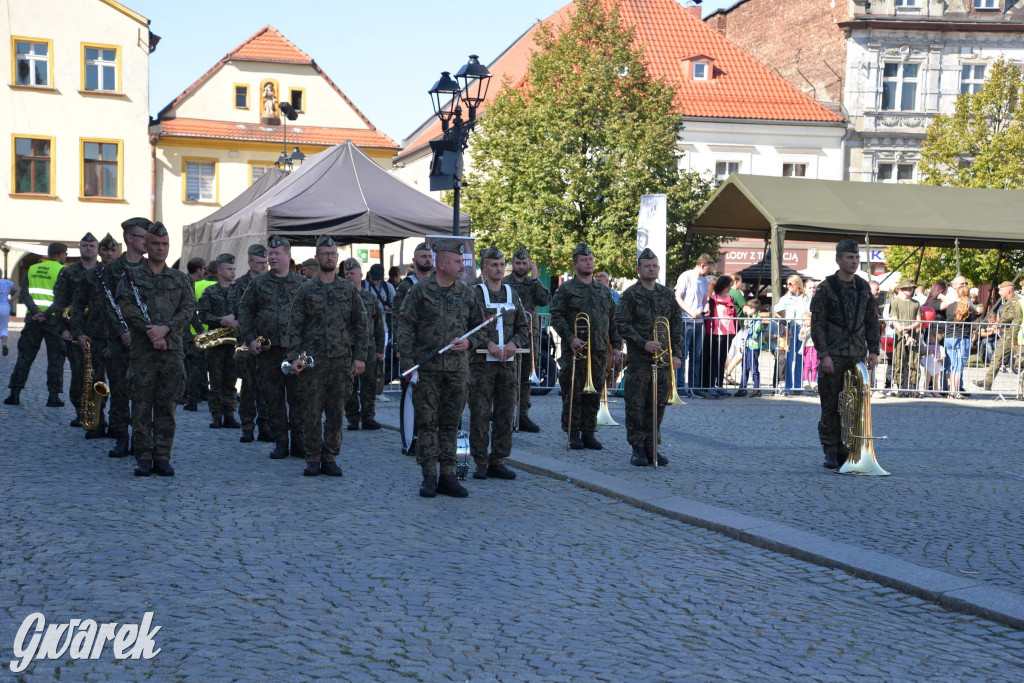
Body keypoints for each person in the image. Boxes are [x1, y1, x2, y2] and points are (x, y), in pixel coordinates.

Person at [396, 238, 488, 498]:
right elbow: (405, 328)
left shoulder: (468, 293)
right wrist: (409, 365)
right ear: (442, 262)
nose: (462, 266)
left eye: (462, 261)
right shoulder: (420, 291)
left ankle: (449, 475)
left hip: (457, 371)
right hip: (427, 370)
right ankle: (428, 476)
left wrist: (470, 342)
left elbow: (481, 328)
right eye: (458, 262)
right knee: (427, 423)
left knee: (451, 424)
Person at [283, 235, 367, 477]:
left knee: (335, 412)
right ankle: (312, 457)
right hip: (313, 363)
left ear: (336, 258)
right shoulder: (306, 290)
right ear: (317, 257)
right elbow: (294, 326)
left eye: (333, 254)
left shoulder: (348, 290)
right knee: (310, 410)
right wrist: (294, 356)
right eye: (325, 254)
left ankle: (330, 457)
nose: (329, 257)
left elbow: (361, 326)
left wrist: (360, 357)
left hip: (341, 363)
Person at [115, 222, 194, 477]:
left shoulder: (180, 279)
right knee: (140, 406)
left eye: (165, 244)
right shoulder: (131, 276)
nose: (161, 248)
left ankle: (162, 456)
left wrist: (166, 329)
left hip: (171, 352)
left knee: (166, 407)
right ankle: (143, 457)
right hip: (143, 353)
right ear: (146, 246)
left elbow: (188, 309)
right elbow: (126, 307)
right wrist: (151, 332)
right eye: (156, 244)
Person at [809, 238, 881, 470]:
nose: (854, 261)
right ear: (838, 259)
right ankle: (831, 450)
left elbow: (872, 320)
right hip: (834, 354)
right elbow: (817, 324)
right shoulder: (826, 287)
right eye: (850, 257)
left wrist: (874, 350)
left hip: (857, 353)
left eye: (857, 257)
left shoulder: (863, 287)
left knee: (855, 406)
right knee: (831, 405)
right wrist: (823, 355)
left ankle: (849, 450)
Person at [238, 235, 308, 460]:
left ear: (288, 255)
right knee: (273, 398)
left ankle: (299, 442)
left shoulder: (302, 284)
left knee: (298, 398)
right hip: (268, 352)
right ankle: (280, 442)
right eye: (270, 254)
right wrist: (249, 339)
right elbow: (245, 312)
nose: (272, 258)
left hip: (295, 352)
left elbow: (313, 316)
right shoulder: (258, 283)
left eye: (277, 254)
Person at [550, 243, 623, 450]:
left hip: (599, 350)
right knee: (573, 393)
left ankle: (589, 432)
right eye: (584, 260)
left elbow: (613, 319)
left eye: (590, 259)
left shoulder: (603, 290)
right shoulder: (566, 289)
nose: (588, 262)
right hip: (575, 350)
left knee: (595, 392)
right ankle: (573, 433)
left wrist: (616, 345)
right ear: (575, 264)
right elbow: (556, 316)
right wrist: (570, 337)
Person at [615, 248, 681, 466]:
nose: (651, 269)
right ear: (638, 269)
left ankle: (653, 447)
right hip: (639, 360)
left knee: (657, 404)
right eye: (647, 266)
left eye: (654, 265)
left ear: (658, 268)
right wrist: (643, 343)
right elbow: (621, 324)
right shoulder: (631, 295)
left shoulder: (667, 294)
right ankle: (638, 449)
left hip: (662, 360)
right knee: (636, 405)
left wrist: (677, 354)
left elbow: (676, 326)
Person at [468, 246, 528, 480]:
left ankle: (499, 459)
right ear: (484, 267)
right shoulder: (473, 293)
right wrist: (487, 343)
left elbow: (523, 327)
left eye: (502, 264)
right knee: (480, 412)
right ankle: (481, 460)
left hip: (507, 364)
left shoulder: (511, 294)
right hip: (482, 364)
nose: (499, 269)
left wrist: (514, 343)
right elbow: (468, 326)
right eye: (494, 265)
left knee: (505, 412)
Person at [102, 218, 150, 458]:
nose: (148, 242)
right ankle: (121, 437)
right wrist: (123, 331)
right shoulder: (111, 270)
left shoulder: (151, 267)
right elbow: (107, 305)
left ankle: (141, 439)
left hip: (145, 341)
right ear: (130, 239)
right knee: (120, 391)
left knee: (143, 394)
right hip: (119, 342)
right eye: (143, 237)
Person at [70, 233, 121, 439]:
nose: (109, 254)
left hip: (119, 338)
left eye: (112, 250)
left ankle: (118, 427)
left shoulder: (126, 274)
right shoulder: (89, 276)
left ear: (118, 252)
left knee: (119, 385)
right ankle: (97, 423)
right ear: (100, 252)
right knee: (95, 382)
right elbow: (77, 306)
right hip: (95, 336)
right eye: (105, 250)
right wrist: (78, 333)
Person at [4, 242, 67, 407]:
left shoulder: (32, 269)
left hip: (32, 319)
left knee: (25, 356)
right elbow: (62, 298)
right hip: (53, 320)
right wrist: (45, 314)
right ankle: (53, 397)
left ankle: (14, 394)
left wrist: (35, 311)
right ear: (61, 254)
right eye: (65, 254)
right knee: (56, 359)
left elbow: (24, 292)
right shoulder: (62, 271)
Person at [51, 233, 100, 427]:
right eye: (84, 245)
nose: (88, 248)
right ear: (79, 248)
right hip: (74, 330)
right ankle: (80, 411)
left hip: (100, 330)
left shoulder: (105, 271)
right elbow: (59, 301)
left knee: (99, 374)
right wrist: (63, 329)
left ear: (97, 249)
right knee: (79, 372)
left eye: (91, 245)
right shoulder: (69, 272)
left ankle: (98, 414)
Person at [502, 246, 551, 433]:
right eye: (518, 263)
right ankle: (504, 415)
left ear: (529, 264)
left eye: (524, 263)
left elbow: (545, 300)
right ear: (512, 263)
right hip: (509, 336)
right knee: (507, 378)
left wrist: (537, 277)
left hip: (530, 336)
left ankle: (523, 415)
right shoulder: (505, 282)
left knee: (525, 379)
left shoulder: (533, 283)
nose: (521, 266)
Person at [227, 244, 270, 443]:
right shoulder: (239, 285)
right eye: (259, 263)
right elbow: (238, 311)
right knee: (248, 387)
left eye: (265, 263)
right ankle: (247, 426)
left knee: (267, 387)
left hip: (268, 343)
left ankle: (265, 426)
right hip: (246, 343)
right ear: (250, 262)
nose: (264, 266)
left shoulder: (272, 282)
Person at [197, 253, 240, 430]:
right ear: (220, 271)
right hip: (216, 342)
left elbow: (246, 311)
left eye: (234, 269)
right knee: (215, 380)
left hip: (234, 342)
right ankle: (216, 415)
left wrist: (236, 319)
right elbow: (203, 313)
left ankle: (229, 414)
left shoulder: (239, 291)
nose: (233, 272)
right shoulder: (210, 291)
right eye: (229, 269)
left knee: (231, 380)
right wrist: (221, 320)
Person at [342, 258, 385, 431]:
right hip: (348, 347)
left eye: (352, 273)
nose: (349, 276)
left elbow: (379, 326)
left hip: (368, 347)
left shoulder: (370, 298)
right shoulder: (341, 299)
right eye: (346, 274)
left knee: (369, 384)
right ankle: (352, 418)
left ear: (361, 274)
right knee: (349, 384)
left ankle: (368, 417)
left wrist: (381, 349)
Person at [674, 253, 714, 399]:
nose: (708, 272)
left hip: (698, 322)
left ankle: (694, 386)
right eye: (708, 269)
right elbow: (678, 296)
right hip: (686, 320)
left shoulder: (703, 279)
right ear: (702, 265)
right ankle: (680, 387)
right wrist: (690, 311)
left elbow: (704, 298)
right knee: (683, 355)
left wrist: (706, 307)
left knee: (696, 356)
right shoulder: (686, 276)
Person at [975, 281, 1022, 391]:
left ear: (1008, 290)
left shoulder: (1016, 301)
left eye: (1001, 290)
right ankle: (988, 381)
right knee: (997, 357)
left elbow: (1013, 316)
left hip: (1015, 335)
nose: (999, 292)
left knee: (1021, 361)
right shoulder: (1006, 302)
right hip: (1006, 335)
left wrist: (999, 322)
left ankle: (1022, 390)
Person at [774, 274, 811, 394]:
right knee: (788, 357)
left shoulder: (805, 299)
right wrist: (782, 314)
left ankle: (798, 385)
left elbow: (810, 312)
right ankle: (789, 386)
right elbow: (776, 310)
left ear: (797, 285)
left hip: (803, 328)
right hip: (789, 328)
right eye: (787, 284)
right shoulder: (785, 299)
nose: (788, 286)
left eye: (791, 284)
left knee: (801, 357)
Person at [703, 275, 737, 397]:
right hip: (715, 332)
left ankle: (720, 385)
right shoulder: (713, 299)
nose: (729, 288)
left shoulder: (730, 298)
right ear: (722, 286)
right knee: (713, 359)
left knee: (722, 359)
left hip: (728, 332)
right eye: (728, 286)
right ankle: (711, 385)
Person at [944, 284, 976, 400]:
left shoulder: (951, 306)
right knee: (958, 366)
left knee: (951, 364)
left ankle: (950, 390)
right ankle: (955, 391)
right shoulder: (969, 308)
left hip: (949, 337)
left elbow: (947, 318)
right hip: (962, 338)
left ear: (957, 293)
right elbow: (973, 322)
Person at [890, 278, 921, 397]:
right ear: (901, 289)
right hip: (900, 337)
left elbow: (918, 321)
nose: (910, 290)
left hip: (914, 336)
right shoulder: (895, 302)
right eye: (908, 288)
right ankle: (901, 389)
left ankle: (914, 389)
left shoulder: (916, 303)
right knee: (899, 362)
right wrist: (905, 333)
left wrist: (908, 328)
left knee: (914, 362)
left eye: (911, 288)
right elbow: (895, 320)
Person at [735, 299, 763, 397]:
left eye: (748, 307)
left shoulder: (758, 321)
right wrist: (742, 344)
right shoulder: (749, 319)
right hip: (747, 347)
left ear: (753, 309)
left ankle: (757, 388)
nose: (746, 309)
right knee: (744, 367)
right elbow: (745, 334)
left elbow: (755, 335)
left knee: (753, 368)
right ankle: (742, 388)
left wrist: (749, 328)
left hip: (754, 347)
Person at [0, 268, 20, 357]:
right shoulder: (7, 282)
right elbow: (19, 290)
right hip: (4, 306)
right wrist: (12, 299)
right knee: (4, 327)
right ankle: (4, 344)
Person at [800, 311, 818, 390]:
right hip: (806, 348)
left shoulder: (814, 327)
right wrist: (802, 331)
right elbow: (800, 338)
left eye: (808, 320)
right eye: (804, 320)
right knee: (807, 365)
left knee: (814, 366)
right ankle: (806, 380)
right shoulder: (803, 329)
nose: (806, 322)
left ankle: (813, 381)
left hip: (814, 348)